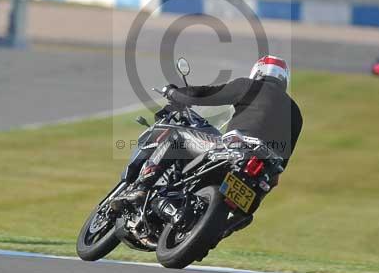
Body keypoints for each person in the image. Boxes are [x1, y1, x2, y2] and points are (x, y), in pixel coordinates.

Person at [113, 55, 303, 235]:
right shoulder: (296, 113)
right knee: (252, 204)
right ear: (283, 80)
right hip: (262, 172)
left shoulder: (250, 86)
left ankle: (143, 187)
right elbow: (280, 167)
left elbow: (205, 95)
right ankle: (220, 230)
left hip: (234, 150)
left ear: (258, 72)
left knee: (177, 137)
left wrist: (174, 92)